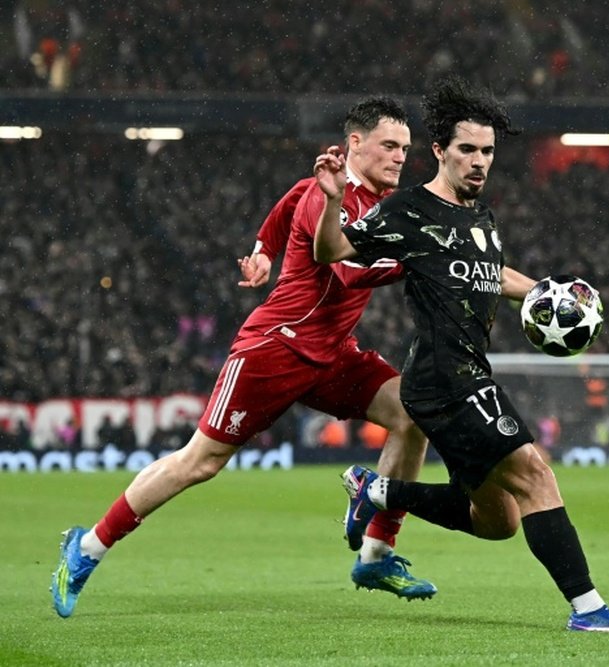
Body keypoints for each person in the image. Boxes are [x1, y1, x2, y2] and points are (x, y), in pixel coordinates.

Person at [51, 96, 436, 619]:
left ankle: (376, 553)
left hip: (332, 354)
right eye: (389, 146)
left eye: (406, 148)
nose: (399, 157)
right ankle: (88, 546)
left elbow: (285, 206)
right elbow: (345, 268)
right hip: (274, 350)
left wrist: (262, 249)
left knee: (413, 416)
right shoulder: (331, 196)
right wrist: (417, 259)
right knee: (199, 462)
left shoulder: (335, 192)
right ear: (355, 145)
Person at [312, 76, 609, 632]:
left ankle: (378, 489)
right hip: (445, 380)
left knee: (498, 521)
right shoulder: (409, 211)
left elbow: (490, 274)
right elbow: (331, 251)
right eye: (467, 149)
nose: (479, 161)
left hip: (467, 374)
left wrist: (550, 295)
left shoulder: (480, 217)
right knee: (536, 474)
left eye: (487, 151)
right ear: (439, 150)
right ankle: (588, 609)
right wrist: (332, 202)